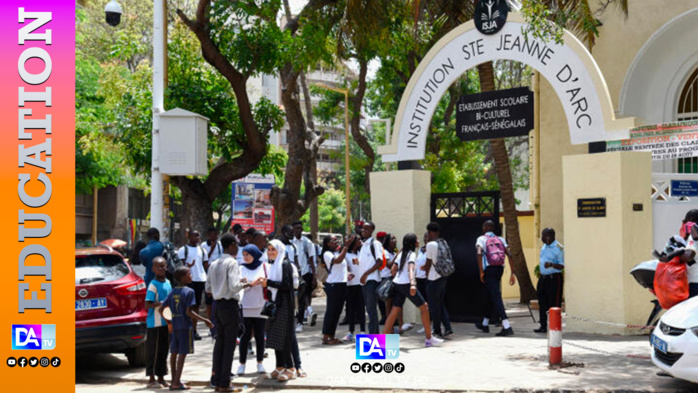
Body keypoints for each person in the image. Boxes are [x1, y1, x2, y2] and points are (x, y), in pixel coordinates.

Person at [384, 233, 443, 347]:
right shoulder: (411, 254)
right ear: (412, 242)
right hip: (406, 284)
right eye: (416, 239)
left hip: (397, 284)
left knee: (394, 312)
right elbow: (410, 269)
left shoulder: (401, 254)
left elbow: (393, 270)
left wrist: (400, 276)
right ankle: (429, 338)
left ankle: (382, 341)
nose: (418, 241)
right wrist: (412, 284)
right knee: (424, 307)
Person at [159, 266, 214, 391]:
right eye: (189, 274)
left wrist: (169, 322)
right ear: (183, 277)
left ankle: (174, 380)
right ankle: (176, 383)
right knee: (182, 354)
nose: (191, 275)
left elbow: (161, 309)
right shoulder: (189, 292)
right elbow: (189, 312)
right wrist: (205, 320)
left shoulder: (173, 291)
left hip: (175, 327)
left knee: (174, 353)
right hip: (185, 327)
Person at [206, 234, 248, 392]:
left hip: (218, 306)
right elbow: (234, 286)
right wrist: (246, 283)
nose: (237, 247)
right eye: (236, 245)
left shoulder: (214, 263)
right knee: (229, 345)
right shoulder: (232, 262)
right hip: (230, 305)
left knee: (220, 343)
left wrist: (219, 289)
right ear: (231, 246)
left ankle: (217, 381)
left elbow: (208, 288)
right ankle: (224, 383)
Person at [261, 240, 297, 382]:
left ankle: (291, 368)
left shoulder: (284, 263)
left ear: (280, 250)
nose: (270, 252)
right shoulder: (275, 264)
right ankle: (280, 366)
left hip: (285, 305)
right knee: (276, 336)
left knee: (285, 338)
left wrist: (268, 283)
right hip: (277, 304)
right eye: (269, 249)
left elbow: (287, 285)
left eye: (273, 249)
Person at [475, 220, 516, 336]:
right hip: (499, 269)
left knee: (495, 296)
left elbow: (479, 253)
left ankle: (507, 326)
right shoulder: (501, 239)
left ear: (484, 228)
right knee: (490, 295)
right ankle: (485, 324)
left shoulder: (481, 239)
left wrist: (481, 272)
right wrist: (512, 273)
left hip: (489, 270)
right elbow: (510, 254)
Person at [236, 244, 268, 376]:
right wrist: (249, 284)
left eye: (248, 254)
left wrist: (263, 281)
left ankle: (260, 363)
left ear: (255, 254)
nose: (246, 257)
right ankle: (242, 364)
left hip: (261, 305)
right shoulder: (240, 268)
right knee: (245, 336)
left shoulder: (265, 266)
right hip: (245, 306)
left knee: (260, 336)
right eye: (244, 255)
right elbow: (237, 285)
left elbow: (269, 282)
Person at [321, 234, 354, 344]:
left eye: (337, 240)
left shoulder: (337, 252)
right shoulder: (327, 254)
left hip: (341, 284)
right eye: (333, 240)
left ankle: (332, 336)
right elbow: (338, 261)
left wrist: (348, 274)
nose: (336, 242)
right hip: (333, 285)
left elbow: (341, 268)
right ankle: (326, 337)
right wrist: (346, 246)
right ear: (327, 243)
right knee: (331, 311)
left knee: (337, 312)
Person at [144, 257, 172, 388]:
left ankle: (161, 377)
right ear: (153, 269)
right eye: (158, 266)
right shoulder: (153, 284)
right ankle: (151, 378)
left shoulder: (168, 282)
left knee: (163, 350)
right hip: (154, 323)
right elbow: (147, 304)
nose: (161, 268)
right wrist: (160, 303)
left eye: (163, 266)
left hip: (166, 322)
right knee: (153, 351)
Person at [178, 230, 209, 340]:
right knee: (187, 306)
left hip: (200, 280)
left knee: (196, 306)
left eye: (198, 235)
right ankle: (186, 329)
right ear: (189, 236)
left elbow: (206, 266)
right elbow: (180, 267)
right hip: (188, 281)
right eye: (195, 235)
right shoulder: (183, 250)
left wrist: (209, 279)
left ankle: (194, 331)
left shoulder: (202, 250)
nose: (197, 237)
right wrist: (188, 266)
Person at [535, 228, 565, 333]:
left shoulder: (559, 248)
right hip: (543, 278)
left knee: (554, 303)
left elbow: (562, 266)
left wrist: (551, 265)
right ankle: (543, 326)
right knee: (541, 302)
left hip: (554, 278)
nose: (542, 238)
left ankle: (555, 327)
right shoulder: (544, 246)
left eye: (543, 236)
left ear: (549, 237)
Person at [358, 222, 384, 334]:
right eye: (363, 228)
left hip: (371, 280)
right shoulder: (363, 245)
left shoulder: (375, 244)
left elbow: (379, 262)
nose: (364, 230)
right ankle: (374, 335)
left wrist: (365, 274)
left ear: (372, 230)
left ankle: (374, 337)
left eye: (367, 228)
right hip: (364, 282)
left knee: (371, 310)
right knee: (369, 310)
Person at [292, 221, 317, 328]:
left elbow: (312, 260)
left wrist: (315, 277)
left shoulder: (307, 243)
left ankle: (300, 322)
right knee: (294, 298)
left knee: (302, 298)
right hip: (293, 274)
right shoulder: (290, 242)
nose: (298, 230)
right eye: (296, 228)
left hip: (305, 273)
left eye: (300, 228)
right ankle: (308, 311)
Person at [343, 236, 365, 341]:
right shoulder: (346, 255)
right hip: (350, 285)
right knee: (351, 309)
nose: (360, 242)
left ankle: (362, 331)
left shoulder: (361, 253)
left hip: (360, 284)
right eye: (357, 241)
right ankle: (351, 331)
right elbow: (346, 268)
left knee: (361, 308)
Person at [203, 227, 224, 325]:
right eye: (212, 234)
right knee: (209, 299)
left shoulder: (220, 244)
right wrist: (211, 249)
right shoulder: (204, 245)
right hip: (209, 271)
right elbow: (205, 259)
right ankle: (210, 321)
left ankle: (218, 320)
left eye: (215, 234)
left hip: (220, 271)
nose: (214, 236)